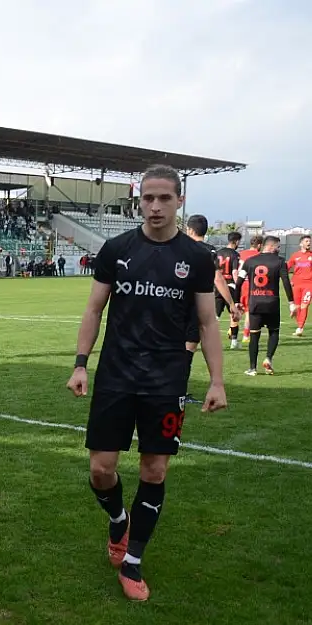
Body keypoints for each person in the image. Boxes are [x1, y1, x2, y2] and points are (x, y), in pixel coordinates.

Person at [67, 164, 227, 602]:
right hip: (116, 375)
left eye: (164, 199)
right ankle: (118, 519)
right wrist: (81, 364)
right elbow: (94, 309)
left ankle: (133, 560)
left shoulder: (196, 258)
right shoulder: (116, 248)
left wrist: (217, 381)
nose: (155, 207)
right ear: (139, 200)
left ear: (180, 201)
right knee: (101, 468)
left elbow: (208, 322)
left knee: (154, 469)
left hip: (166, 380)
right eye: (147, 198)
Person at [182, 214, 239, 400]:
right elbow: (217, 278)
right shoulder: (208, 251)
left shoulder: (179, 246)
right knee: (188, 348)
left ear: (189, 229)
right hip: (193, 304)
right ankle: (178, 391)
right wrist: (231, 303)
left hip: (171, 302)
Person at [235, 235, 296, 375]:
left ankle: (252, 368)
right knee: (274, 332)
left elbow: (238, 282)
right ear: (270, 246)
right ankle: (268, 358)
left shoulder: (250, 261)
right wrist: (291, 303)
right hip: (272, 302)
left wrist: (237, 301)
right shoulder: (280, 262)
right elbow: (286, 282)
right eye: (278, 246)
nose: (279, 249)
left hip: (255, 303)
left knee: (254, 336)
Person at [214, 232, 243, 348]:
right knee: (234, 313)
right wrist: (238, 285)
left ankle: (210, 340)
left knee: (215, 316)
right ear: (236, 241)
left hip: (217, 286)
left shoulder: (218, 252)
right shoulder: (235, 254)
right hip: (230, 286)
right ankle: (234, 342)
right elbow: (235, 272)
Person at [238, 235, 264, 342]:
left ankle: (232, 329)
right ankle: (245, 335)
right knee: (249, 311)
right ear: (259, 245)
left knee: (237, 308)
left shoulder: (241, 254)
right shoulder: (259, 255)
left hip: (239, 283)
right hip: (251, 285)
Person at [286, 234, 312, 337]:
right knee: (297, 307)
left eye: (309, 241)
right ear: (301, 244)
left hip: (309, 284)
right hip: (296, 284)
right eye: (306, 241)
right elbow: (286, 268)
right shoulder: (295, 256)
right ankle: (299, 324)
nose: (309, 243)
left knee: (304, 305)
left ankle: (300, 328)